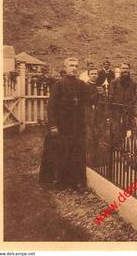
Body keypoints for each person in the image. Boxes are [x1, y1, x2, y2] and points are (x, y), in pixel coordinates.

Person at [41, 57, 90, 190]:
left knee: (77, 154)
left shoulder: (81, 84)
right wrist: (53, 126)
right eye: (71, 65)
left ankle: (76, 181)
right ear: (66, 67)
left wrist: (100, 94)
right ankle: (62, 182)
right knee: (62, 153)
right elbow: (51, 107)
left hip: (77, 125)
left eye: (76, 66)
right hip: (63, 125)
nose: (74, 68)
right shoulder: (59, 84)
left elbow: (88, 100)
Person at [108, 62, 137, 142]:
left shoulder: (133, 84)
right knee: (116, 130)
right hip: (117, 110)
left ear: (129, 70)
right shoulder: (114, 82)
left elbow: (135, 96)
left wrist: (131, 105)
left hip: (128, 110)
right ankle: (116, 146)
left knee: (128, 130)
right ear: (120, 70)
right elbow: (111, 96)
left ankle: (127, 148)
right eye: (123, 68)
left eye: (127, 68)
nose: (125, 70)